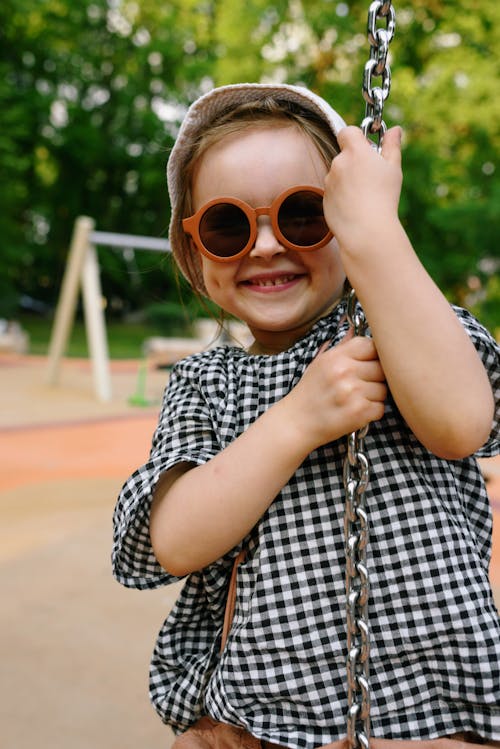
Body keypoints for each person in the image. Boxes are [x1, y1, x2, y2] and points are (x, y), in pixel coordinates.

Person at [112, 83, 500, 748]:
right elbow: (172, 541)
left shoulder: (397, 335)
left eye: (304, 215)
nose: (265, 246)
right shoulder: (208, 382)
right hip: (260, 724)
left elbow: (463, 422)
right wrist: (298, 420)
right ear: (195, 251)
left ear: (349, 223)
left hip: (436, 720)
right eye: (230, 225)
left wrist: (379, 237)